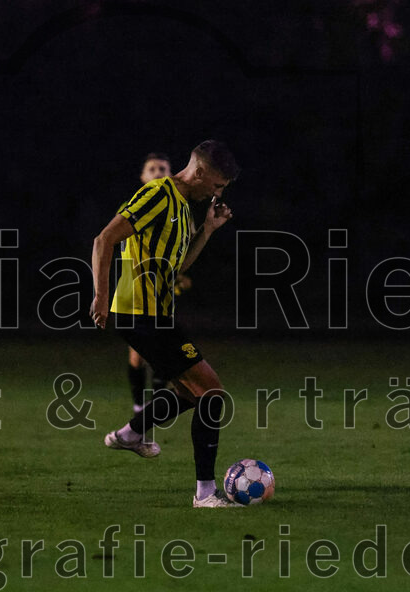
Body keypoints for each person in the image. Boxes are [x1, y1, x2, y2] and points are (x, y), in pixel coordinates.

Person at [91, 140, 239, 508]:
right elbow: (104, 239)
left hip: (156, 314)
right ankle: (205, 492)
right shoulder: (158, 194)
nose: (216, 193)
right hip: (139, 313)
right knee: (212, 393)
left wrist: (207, 230)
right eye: (217, 186)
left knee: (192, 393)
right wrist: (101, 297)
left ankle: (131, 434)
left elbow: (178, 267)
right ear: (201, 172)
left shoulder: (184, 209)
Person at [125, 152, 182, 413]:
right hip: (136, 288)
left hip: (164, 291)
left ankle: (155, 405)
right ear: (142, 176)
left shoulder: (179, 209)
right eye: (152, 169)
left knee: (160, 348)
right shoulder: (135, 207)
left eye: (163, 168)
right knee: (140, 352)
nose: (158, 173)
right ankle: (140, 405)